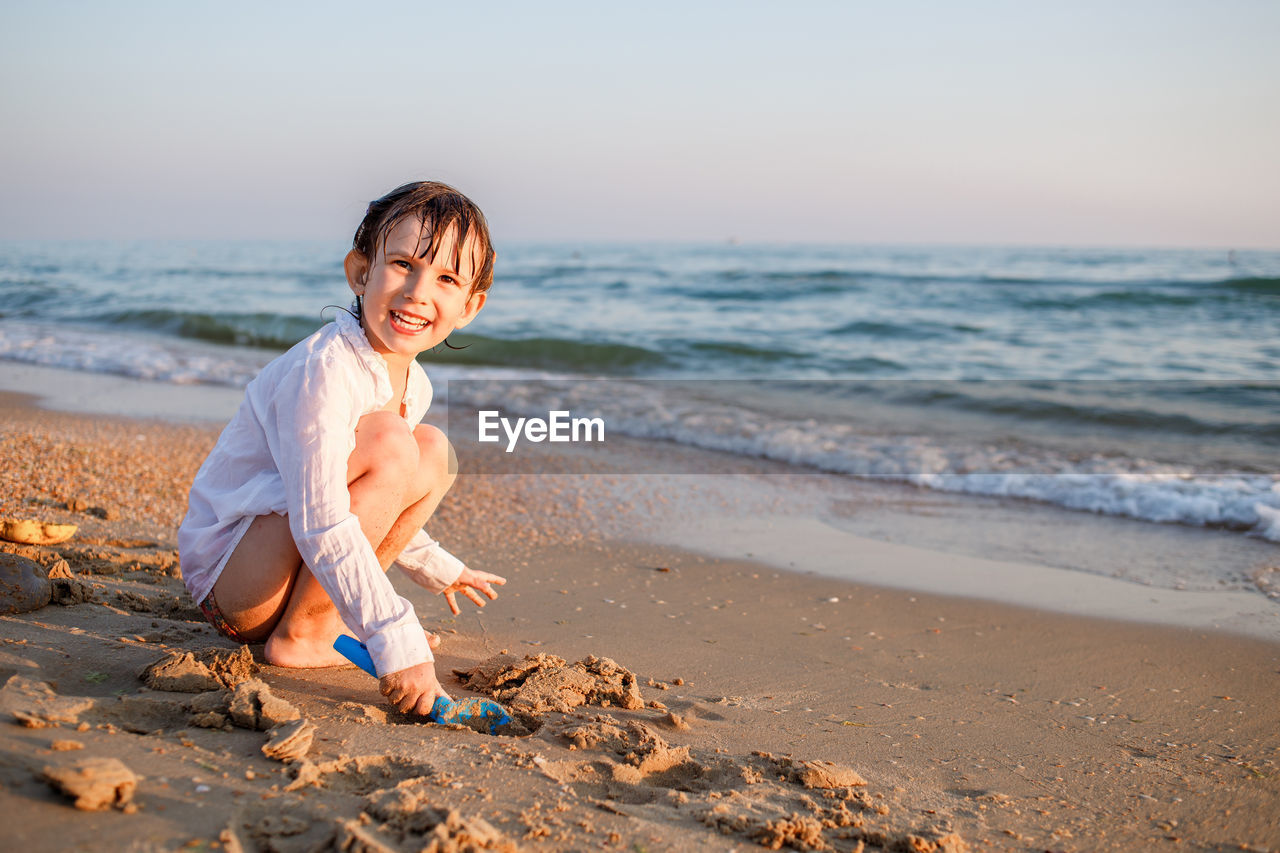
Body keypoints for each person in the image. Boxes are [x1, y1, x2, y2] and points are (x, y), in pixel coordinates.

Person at [178, 181, 505, 716]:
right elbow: (322, 517)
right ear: (360, 272)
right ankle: (305, 634)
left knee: (433, 449)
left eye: (446, 278)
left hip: (283, 558)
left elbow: (376, 494)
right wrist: (395, 634)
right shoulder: (325, 370)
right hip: (233, 584)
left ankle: (322, 621)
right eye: (402, 264)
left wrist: (435, 565)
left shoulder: (413, 385)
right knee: (393, 443)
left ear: (469, 305)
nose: (419, 292)